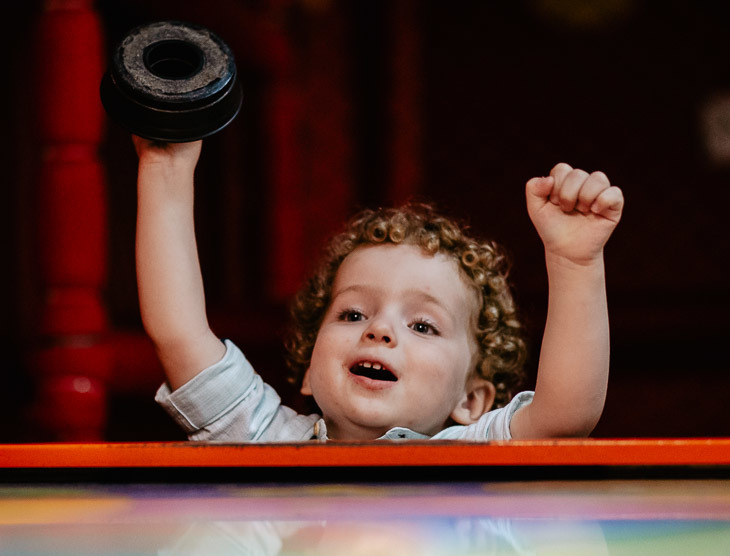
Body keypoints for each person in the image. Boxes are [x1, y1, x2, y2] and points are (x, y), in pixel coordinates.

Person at [135, 137, 623, 441]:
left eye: (423, 325)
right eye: (352, 315)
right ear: (308, 370)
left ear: (471, 401)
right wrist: (166, 167)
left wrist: (574, 262)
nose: (381, 330)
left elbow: (566, 415)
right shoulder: (265, 435)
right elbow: (179, 331)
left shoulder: (473, 452)